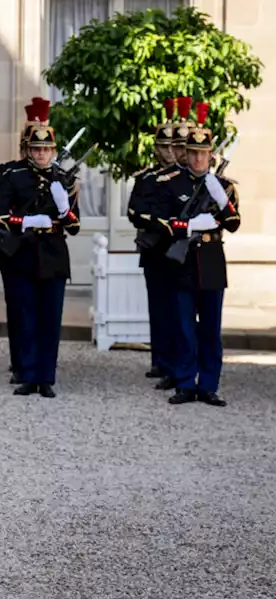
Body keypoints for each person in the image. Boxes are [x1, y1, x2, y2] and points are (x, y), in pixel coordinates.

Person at [0, 100, 80, 398]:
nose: (41, 154)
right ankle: (27, 374)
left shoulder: (64, 180)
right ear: (28, 149)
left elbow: (75, 226)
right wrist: (26, 220)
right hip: (22, 253)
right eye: (36, 149)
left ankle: (46, 377)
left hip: (52, 252)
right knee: (25, 316)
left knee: (50, 318)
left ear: (53, 152)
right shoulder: (11, 175)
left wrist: (65, 209)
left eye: (46, 150)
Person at [150, 102, 239, 407]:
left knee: (211, 330)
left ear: (211, 155)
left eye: (204, 153)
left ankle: (209, 385)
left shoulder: (223, 186)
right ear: (185, 154)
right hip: (183, 261)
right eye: (193, 153)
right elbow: (160, 223)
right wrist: (188, 225)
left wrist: (221, 202)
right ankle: (186, 383)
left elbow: (234, 223)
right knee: (185, 328)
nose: (199, 158)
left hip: (212, 261)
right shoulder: (170, 184)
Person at [0, 97, 49, 385]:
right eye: (30, 137)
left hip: (46, 253)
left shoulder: (56, 177)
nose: (34, 143)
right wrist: (22, 222)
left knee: (44, 312)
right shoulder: (8, 173)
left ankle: (40, 367)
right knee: (19, 310)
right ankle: (21, 364)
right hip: (15, 251)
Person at [126, 97, 184, 387]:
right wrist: (159, 222)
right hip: (156, 250)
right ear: (156, 147)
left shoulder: (187, 179)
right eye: (164, 146)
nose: (170, 152)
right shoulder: (147, 178)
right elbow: (134, 211)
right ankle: (160, 360)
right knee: (158, 307)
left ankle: (177, 362)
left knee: (179, 308)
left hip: (182, 252)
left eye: (175, 146)